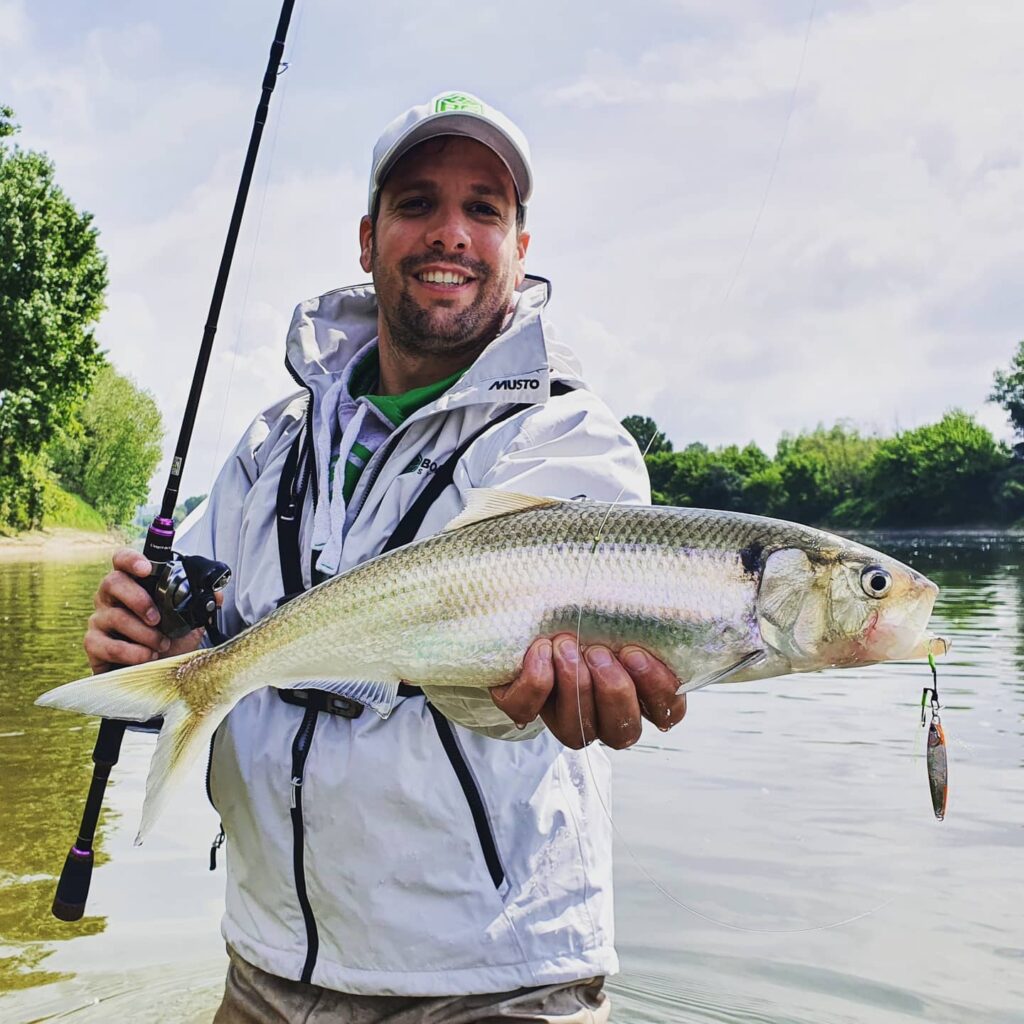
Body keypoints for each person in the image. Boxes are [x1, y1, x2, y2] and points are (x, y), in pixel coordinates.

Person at [84, 91, 688, 1023]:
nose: (450, 233)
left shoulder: (574, 440)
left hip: (497, 983)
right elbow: (185, 630)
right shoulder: (268, 444)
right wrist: (149, 636)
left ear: (521, 248)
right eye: (417, 204)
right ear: (368, 239)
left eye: (484, 208)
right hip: (267, 964)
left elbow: (552, 692)